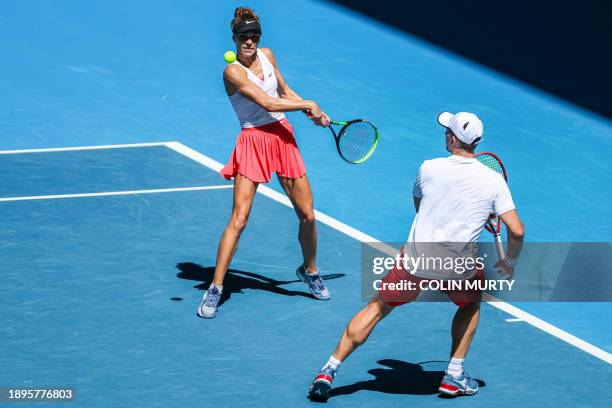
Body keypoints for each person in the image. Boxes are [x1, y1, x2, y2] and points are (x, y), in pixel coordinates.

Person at [308, 111, 525, 399]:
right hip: (459, 267)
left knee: (376, 308)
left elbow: (420, 206)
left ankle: (328, 371)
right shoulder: (494, 181)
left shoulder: (429, 168)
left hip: (416, 260)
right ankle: (454, 375)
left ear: (452, 138)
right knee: (471, 304)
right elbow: (517, 231)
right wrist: (508, 261)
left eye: (447, 129)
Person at [197, 7, 332, 319]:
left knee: (308, 216)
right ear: (234, 38)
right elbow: (269, 102)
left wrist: (314, 113)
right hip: (253, 140)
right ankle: (216, 287)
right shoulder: (232, 72)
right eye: (244, 36)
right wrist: (307, 104)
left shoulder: (268, 55)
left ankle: (309, 270)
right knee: (239, 218)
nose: (250, 41)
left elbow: (283, 92)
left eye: (254, 35)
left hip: (282, 135)